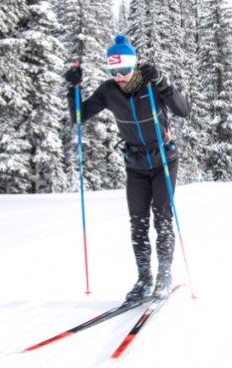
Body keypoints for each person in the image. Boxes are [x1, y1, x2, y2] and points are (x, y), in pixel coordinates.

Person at [65, 34, 191, 301]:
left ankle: (164, 276)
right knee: (138, 222)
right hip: (135, 164)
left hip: (163, 160)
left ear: (134, 66)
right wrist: (73, 90)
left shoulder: (151, 84)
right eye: (113, 71)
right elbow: (78, 116)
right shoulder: (109, 91)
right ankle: (144, 278)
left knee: (162, 217)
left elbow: (183, 110)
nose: (119, 76)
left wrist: (162, 82)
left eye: (124, 70)